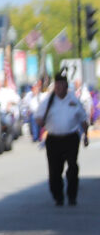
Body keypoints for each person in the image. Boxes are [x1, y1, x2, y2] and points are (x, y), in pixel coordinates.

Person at [37, 73, 90, 206]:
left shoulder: (73, 100)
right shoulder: (48, 101)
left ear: (66, 86)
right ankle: (58, 196)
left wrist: (86, 136)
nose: (59, 88)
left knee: (72, 167)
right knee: (54, 171)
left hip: (70, 138)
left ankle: (72, 196)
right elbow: (38, 117)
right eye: (57, 85)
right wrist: (39, 121)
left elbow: (83, 119)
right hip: (53, 139)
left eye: (61, 85)